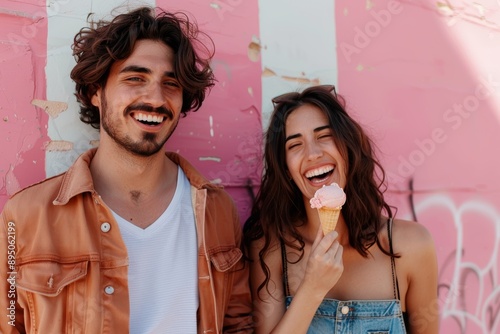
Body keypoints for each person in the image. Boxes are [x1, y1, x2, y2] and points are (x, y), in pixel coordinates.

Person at [0, 7, 253, 333]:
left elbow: (236, 324)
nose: (155, 98)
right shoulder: (24, 217)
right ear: (96, 92)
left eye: (171, 83)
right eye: (135, 78)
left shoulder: (216, 210)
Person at [243, 85, 439, 333]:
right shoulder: (270, 246)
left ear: (347, 148)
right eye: (295, 145)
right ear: (286, 171)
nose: (313, 154)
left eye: (324, 136)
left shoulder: (412, 246)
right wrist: (313, 287)